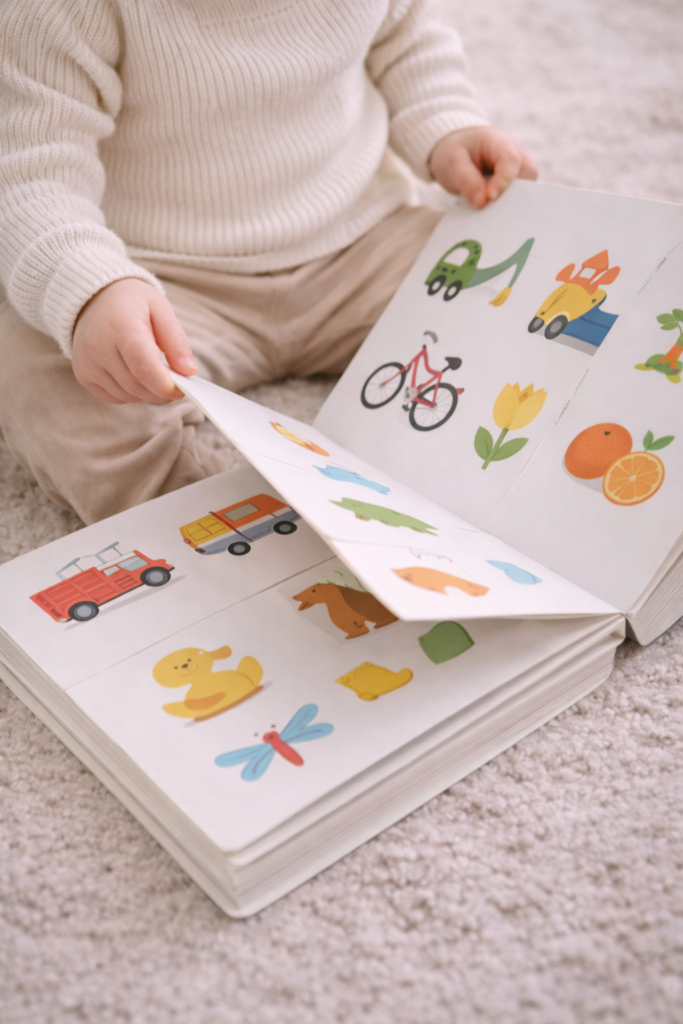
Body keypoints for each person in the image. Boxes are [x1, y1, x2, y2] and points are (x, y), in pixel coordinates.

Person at [0, 0, 537, 523]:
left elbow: (407, 41)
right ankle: (210, 524)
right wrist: (91, 287)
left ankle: (479, 484)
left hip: (363, 243)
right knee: (39, 369)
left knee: (518, 289)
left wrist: (448, 124)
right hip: (160, 283)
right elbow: (31, 169)